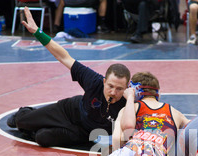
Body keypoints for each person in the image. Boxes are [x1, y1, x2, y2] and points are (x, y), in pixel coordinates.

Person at [43, 71, 191, 156]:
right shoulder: (174, 112)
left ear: (133, 91)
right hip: (154, 150)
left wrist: (118, 155)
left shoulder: (130, 108)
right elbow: (193, 132)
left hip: (131, 146)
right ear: (157, 92)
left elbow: (118, 138)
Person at [7, 6, 130, 148]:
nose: (114, 92)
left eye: (119, 89)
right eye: (110, 86)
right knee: (21, 121)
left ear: (127, 88)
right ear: (104, 82)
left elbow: (152, 106)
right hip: (69, 111)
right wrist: (37, 32)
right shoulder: (94, 81)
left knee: (43, 138)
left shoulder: (129, 101)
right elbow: (63, 56)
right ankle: (24, 114)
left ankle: (34, 129)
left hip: (83, 132)